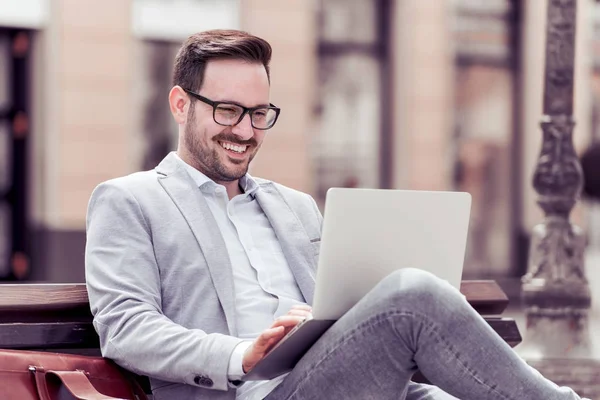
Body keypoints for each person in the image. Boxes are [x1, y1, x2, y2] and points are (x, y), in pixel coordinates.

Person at [85, 30, 588, 400]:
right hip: (247, 394)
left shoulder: (295, 207)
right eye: (228, 111)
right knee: (412, 293)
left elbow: (344, 325)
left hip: (334, 382)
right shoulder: (130, 201)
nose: (245, 130)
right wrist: (243, 355)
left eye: (259, 114)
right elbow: (127, 328)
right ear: (180, 104)